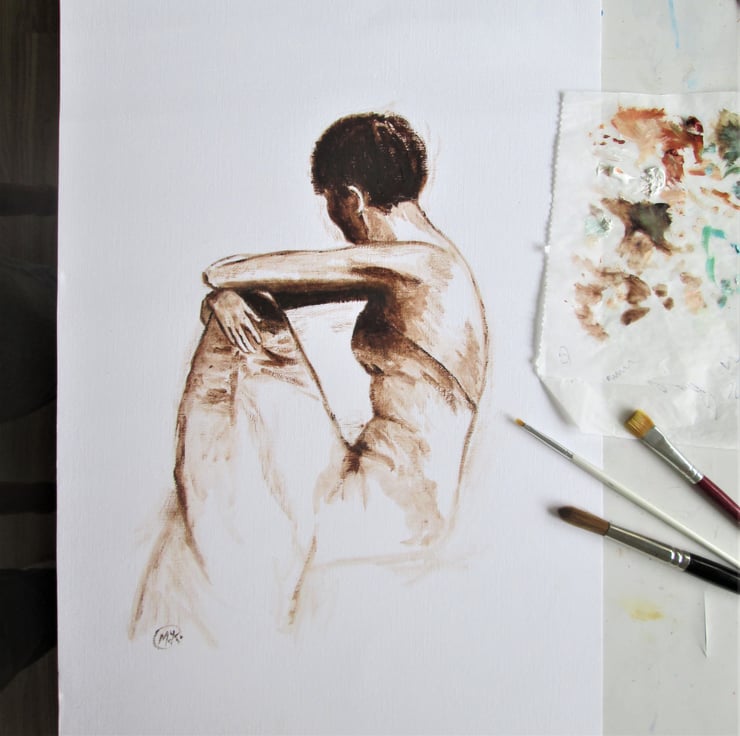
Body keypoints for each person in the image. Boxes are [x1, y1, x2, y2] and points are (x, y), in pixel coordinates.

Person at [130, 112, 488, 639]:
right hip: (397, 489)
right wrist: (222, 303)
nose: (333, 218)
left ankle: (221, 588)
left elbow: (228, 271)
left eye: (330, 202)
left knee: (246, 321)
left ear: (352, 198)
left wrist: (222, 293)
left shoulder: (421, 263)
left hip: (391, 504)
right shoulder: (421, 264)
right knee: (249, 314)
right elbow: (258, 291)